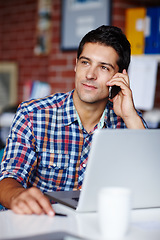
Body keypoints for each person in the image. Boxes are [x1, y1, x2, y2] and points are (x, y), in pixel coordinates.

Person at [0, 25, 147, 216]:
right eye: (86, 63)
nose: (90, 75)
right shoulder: (32, 115)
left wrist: (130, 116)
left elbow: (150, 183)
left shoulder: (130, 122)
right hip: (43, 223)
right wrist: (18, 196)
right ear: (76, 64)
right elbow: (8, 179)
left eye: (103, 67)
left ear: (120, 76)